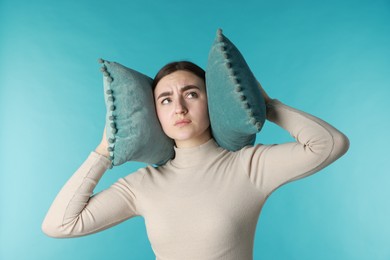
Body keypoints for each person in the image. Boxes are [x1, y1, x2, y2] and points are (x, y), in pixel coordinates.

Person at [42, 61, 349, 260]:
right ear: (155, 113)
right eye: (165, 100)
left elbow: (330, 144)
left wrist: (266, 104)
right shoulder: (143, 185)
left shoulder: (248, 166)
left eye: (191, 94)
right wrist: (103, 152)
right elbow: (60, 225)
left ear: (211, 101)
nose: (179, 107)